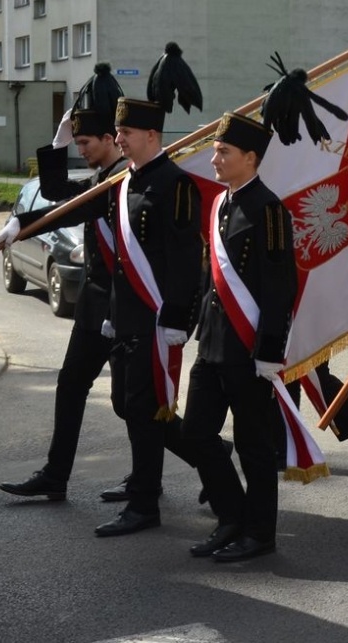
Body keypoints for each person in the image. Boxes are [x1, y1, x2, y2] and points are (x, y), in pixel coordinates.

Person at [0, 63, 137, 502]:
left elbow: (71, 209)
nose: (82, 150)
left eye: (86, 143)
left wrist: (22, 223)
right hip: (95, 307)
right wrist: (57, 143)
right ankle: (56, 476)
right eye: (76, 143)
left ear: (111, 140)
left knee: (130, 404)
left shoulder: (127, 179)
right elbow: (58, 193)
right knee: (71, 385)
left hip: (128, 308)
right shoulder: (98, 177)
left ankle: (203, 456)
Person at [96, 83, 216, 538]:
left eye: (124, 131)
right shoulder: (125, 181)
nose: (118, 138)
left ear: (151, 134)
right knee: (128, 406)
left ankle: (145, 501)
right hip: (126, 316)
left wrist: (176, 322)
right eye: (116, 131)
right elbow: (122, 259)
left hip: (156, 318)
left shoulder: (174, 184)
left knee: (145, 409)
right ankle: (212, 459)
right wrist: (112, 310)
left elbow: (185, 260)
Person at [183, 112, 303, 561]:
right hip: (212, 344)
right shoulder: (220, 204)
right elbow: (208, 277)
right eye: (216, 150)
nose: (214, 157)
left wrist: (270, 350)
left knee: (254, 447)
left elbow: (280, 286)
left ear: (250, 158)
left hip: (249, 349)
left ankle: (260, 534)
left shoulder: (269, 211)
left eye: (224, 152)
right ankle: (232, 516)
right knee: (195, 434)